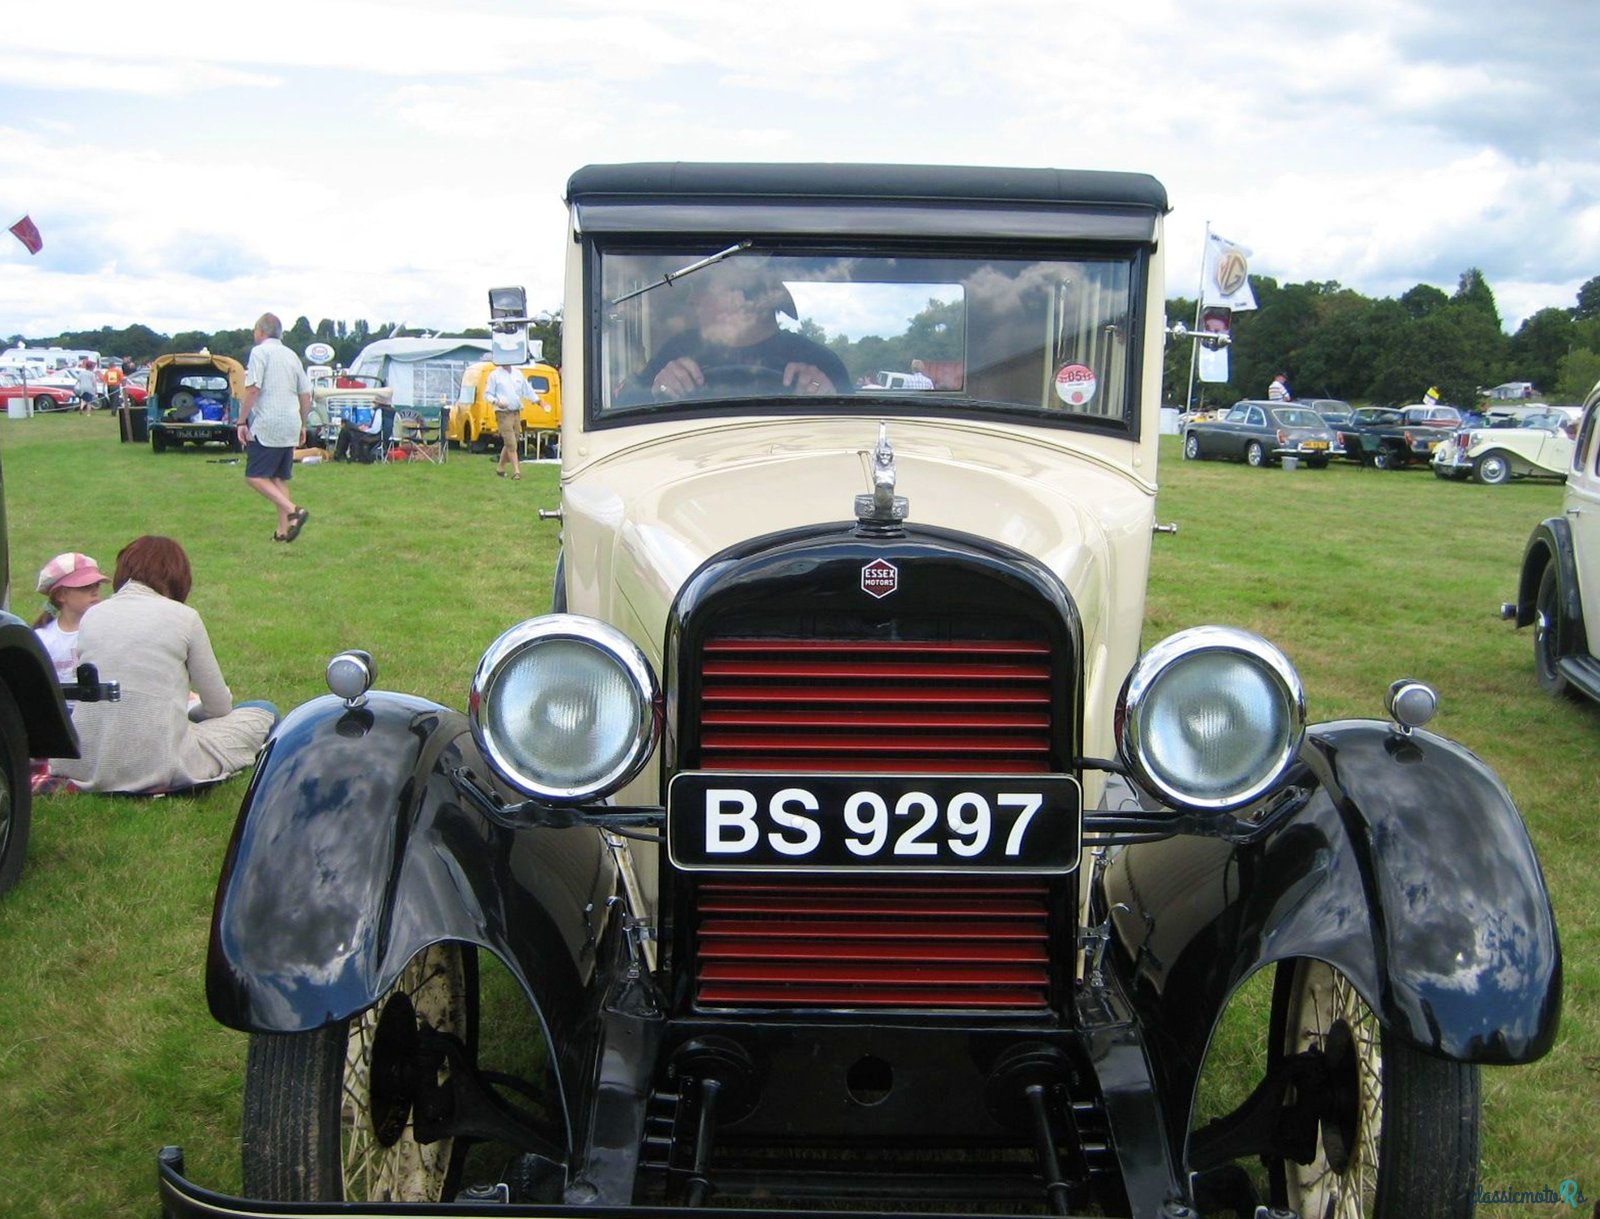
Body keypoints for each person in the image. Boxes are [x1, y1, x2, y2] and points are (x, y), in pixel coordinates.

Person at [48, 536, 276, 794]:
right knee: (261, 710)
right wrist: (189, 710)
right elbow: (219, 706)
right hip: (161, 763)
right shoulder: (185, 617)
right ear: (178, 576)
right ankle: (165, 777)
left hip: (89, 763)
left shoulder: (92, 615)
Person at [637, 261, 849, 401]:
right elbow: (625, 403)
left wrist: (826, 393)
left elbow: (852, 431)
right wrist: (660, 388)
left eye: (703, 288)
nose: (693, 300)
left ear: (741, 301)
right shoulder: (678, 349)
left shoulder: (818, 361)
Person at [238, 313, 313, 542]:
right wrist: (303, 423)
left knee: (255, 476)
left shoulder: (259, 352)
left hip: (268, 422)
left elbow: (253, 389)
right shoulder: (292, 355)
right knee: (279, 478)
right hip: (291, 421)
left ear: (260, 332)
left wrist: (241, 420)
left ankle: (294, 511)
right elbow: (305, 394)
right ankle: (283, 531)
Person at [32, 552, 109, 693]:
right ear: (61, 595)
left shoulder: (107, 631)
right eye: (85, 587)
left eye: (96, 585)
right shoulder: (43, 639)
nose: (95, 592)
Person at [486, 364, 533, 480]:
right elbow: (487, 394)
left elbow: (527, 390)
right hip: (503, 413)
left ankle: (500, 467)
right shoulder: (495, 375)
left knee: (512, 440)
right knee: (511, 443)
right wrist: (496, 402)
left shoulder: (517, 373)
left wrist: (537, 400)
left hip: (516, 412)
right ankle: (517, 471)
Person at [332, 387, 387, 463]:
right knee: (347, 429)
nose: (373, 404)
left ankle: (339, 455)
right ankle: (340, 455)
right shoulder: (386, 412)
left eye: (375, 403)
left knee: (347, 426)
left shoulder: (379, 412)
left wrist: (365, 429)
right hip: (374, 434)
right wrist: (366, 426)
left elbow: (375, 429)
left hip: (372, 434)